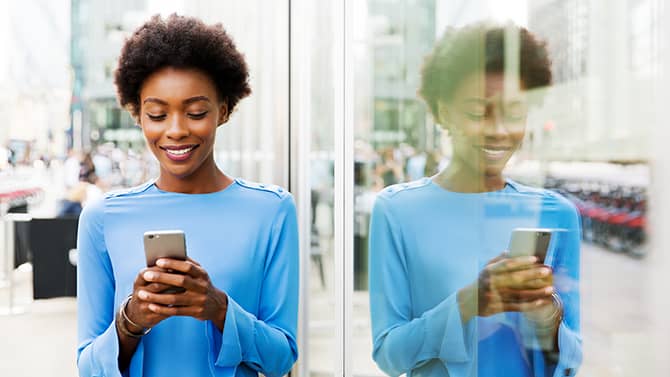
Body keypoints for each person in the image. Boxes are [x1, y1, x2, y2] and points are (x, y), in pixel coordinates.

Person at [76, 14, 299, 377]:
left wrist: (218, 308)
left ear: (223, 111)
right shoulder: (102, 218)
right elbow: (87, 368)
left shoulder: (271, 211)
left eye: (195, 112)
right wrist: (131, 320)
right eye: (157, 114)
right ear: (138, 116)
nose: (176, 130)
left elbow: (281, 358)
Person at [369, 22, 581, 377]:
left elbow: (571, 361)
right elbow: (390, 355)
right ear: (443, 111)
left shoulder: (556, 213)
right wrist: (469, 303)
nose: (498, 130)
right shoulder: (397, 210)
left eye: (514, 113)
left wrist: (546, 317)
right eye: (477, 112)